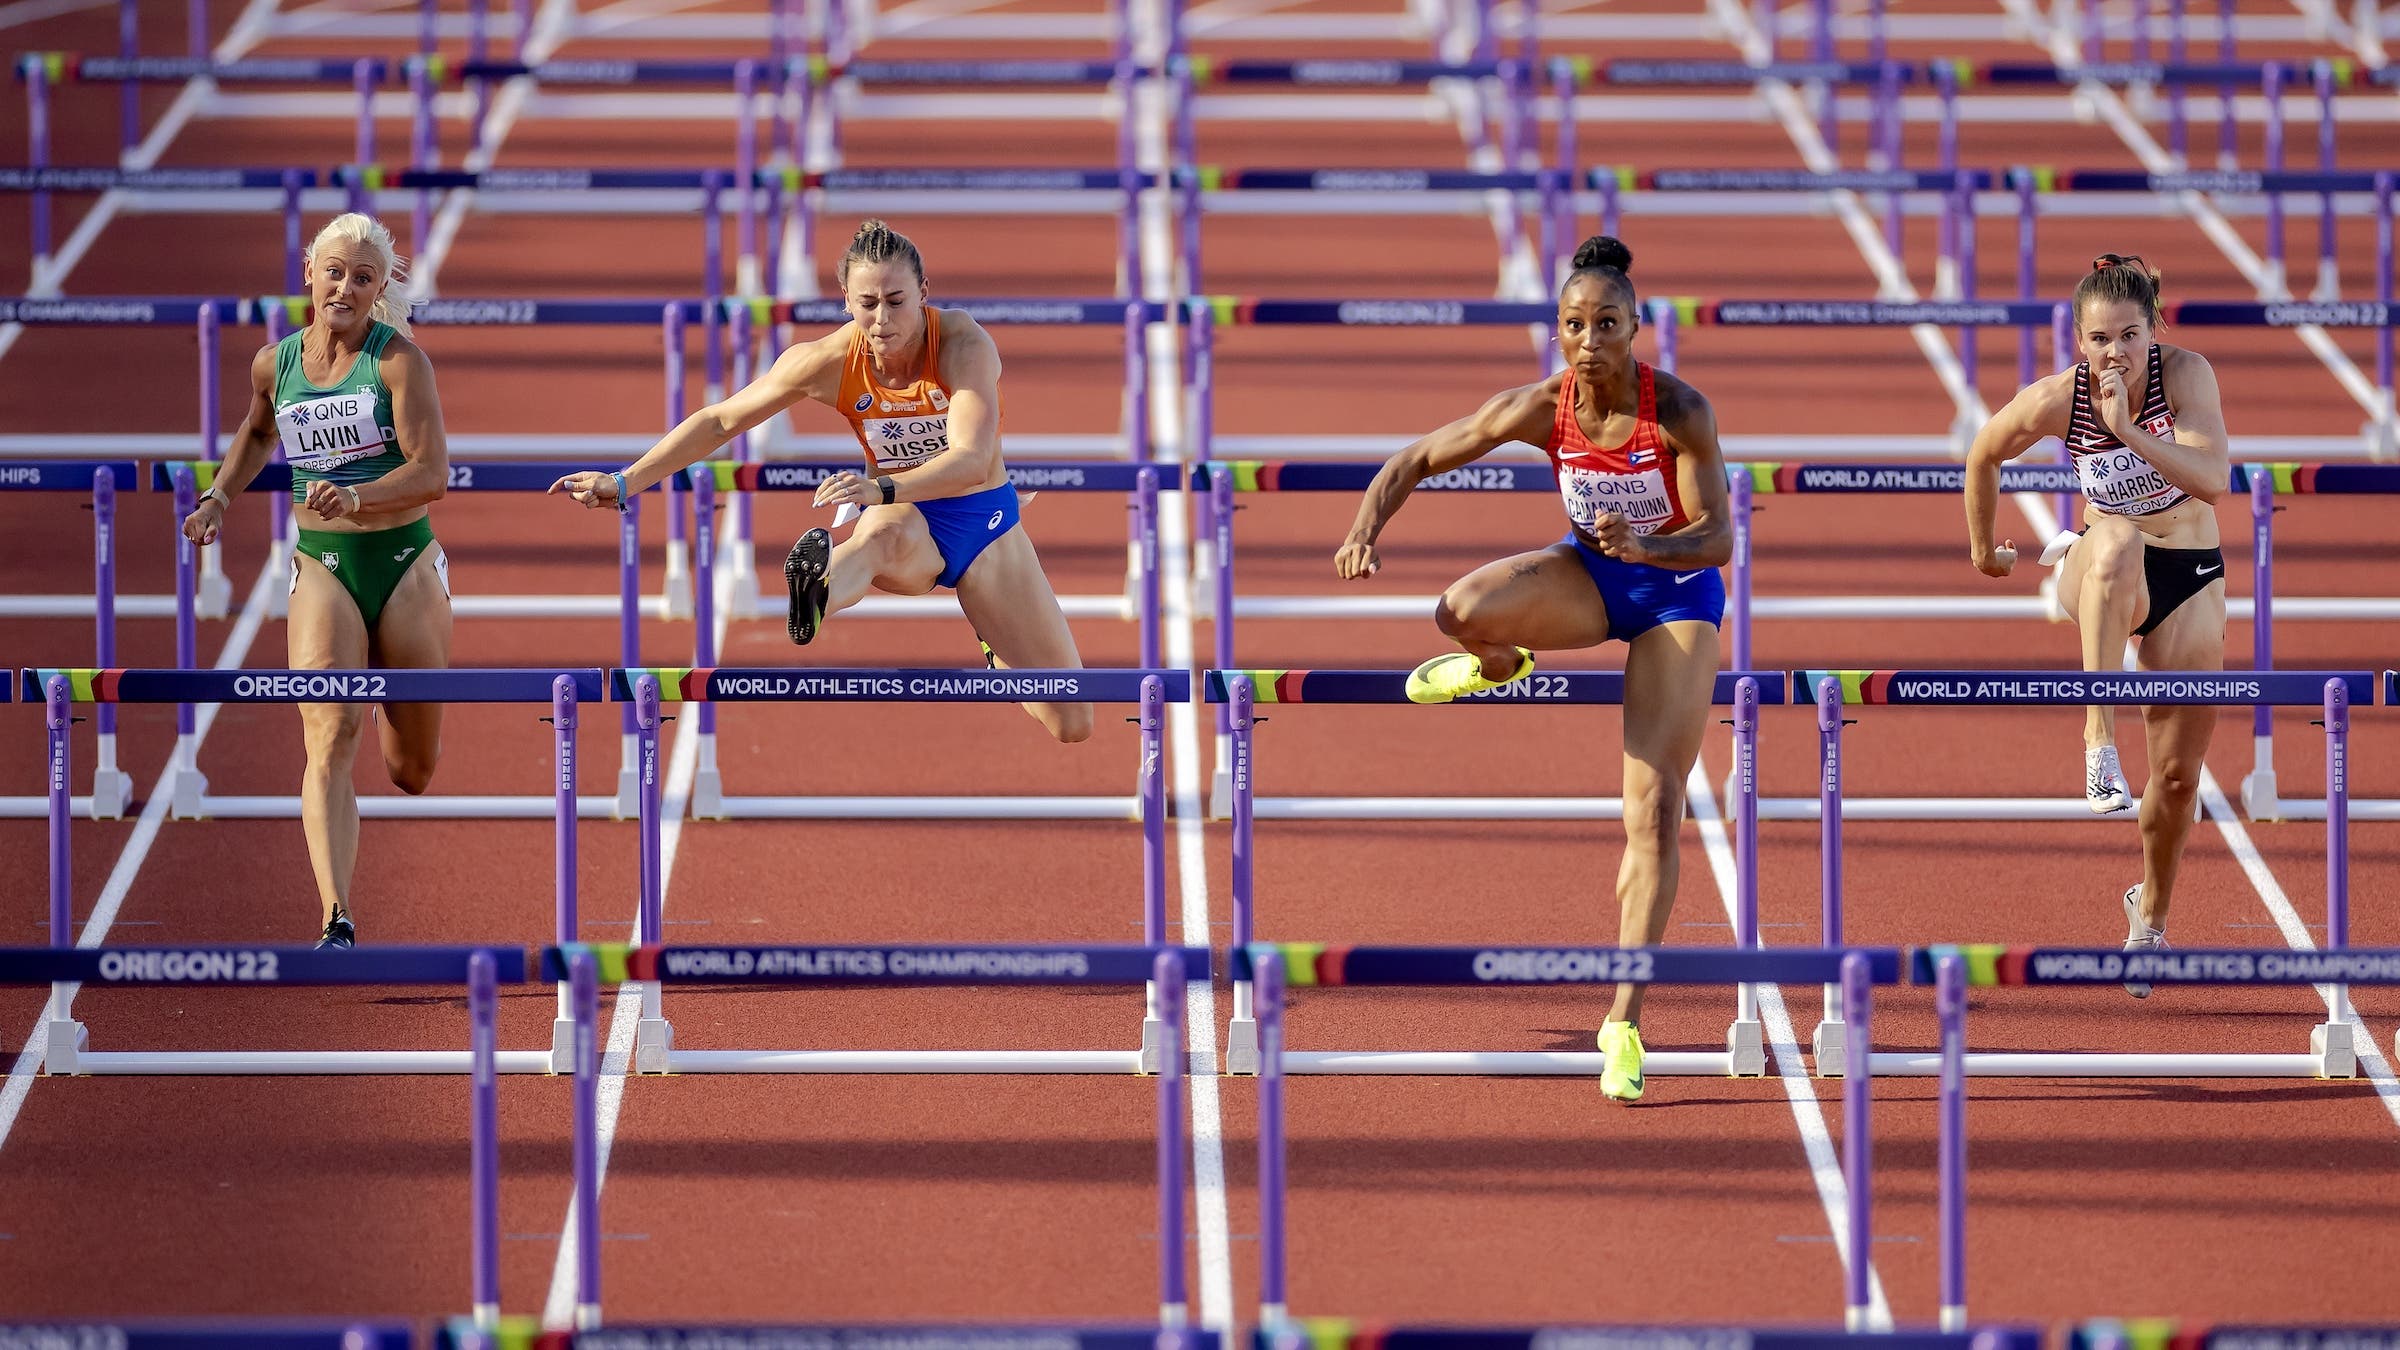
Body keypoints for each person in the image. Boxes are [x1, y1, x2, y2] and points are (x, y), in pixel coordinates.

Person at [1333, 235, 1733, 1103]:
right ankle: (1498, 664)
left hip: (1676, 598)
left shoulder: (1681, 412)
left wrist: (1654, 545)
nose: (1591, 341)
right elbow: (1415, 458)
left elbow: (1722, 539)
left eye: (1608, 324)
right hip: (1589, 581)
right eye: (1575, 325)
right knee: (1459, 610)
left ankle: (1623, 1020)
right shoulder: (1538, 407)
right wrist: (1367, 527)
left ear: (1638, 327)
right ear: (1557, 333)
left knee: (1655, 807)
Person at [551, 219, 1090, 743]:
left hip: (984, 519)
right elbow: (720, 421)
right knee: (878, 538)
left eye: (897, 301)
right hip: (907, 520)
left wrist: (879, 489)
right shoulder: (826, 361)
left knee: (1073, 723)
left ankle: (995, 646)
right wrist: (625, 483)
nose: (882, 319)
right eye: (867, 303)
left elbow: (972, 458)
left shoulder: (962, 345)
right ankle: (814, 592)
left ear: (924, 292)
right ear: (845, 301)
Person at [180, 212, 455, 950]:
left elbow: (434, 473)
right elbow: (260, 430)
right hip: (323, 565)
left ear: (378, 290)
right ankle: (336, 915)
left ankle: (399, 763)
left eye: (362, 277)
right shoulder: (277, 363)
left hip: (402, 567)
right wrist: (218, 499)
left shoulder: (398, 362)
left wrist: (362, 494)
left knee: (412, 769)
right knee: (329, 733)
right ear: (310, 273)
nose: (345, 286)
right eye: (334, 271)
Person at [1965, 253, 2231, 997]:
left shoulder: (2186, 377)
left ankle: (2149, 911)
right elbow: (1984, 452)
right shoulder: (2060, 398)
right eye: (2098, 339)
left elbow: (2215, 480)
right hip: (2112, 562)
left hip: (2190, 571)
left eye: (2129, 336)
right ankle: (2097, 737)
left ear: (2155, 328)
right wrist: (1986, 552)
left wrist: (2127, 431)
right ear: (2078, 341)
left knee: (2178, 781)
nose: (2114, 353)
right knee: (2112, 541)